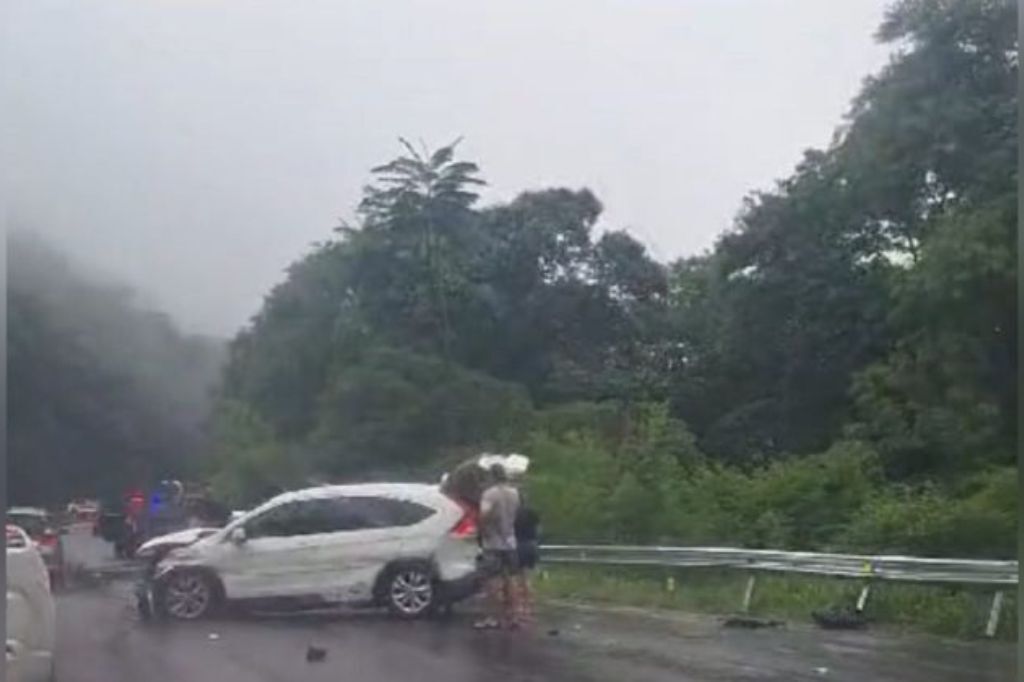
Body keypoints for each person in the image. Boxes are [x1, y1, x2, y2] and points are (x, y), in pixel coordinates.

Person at [475, 463, 521, 630]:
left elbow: (484, 514)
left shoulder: (490, 494)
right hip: (510, 541)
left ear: (491, 476)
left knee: (491, 581)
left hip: (493, 543)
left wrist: (481, 529)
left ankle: (491, 617)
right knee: (511, 579)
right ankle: (513, 616)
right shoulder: (514, 493)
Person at [513, 494, 540, 624]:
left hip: (519, 545)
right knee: (528, 578)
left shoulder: (513, 514)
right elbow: (538, 528)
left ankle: (520, 609)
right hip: (531, 544)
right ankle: (529, 607)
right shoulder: (532, 512)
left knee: (518, 579)